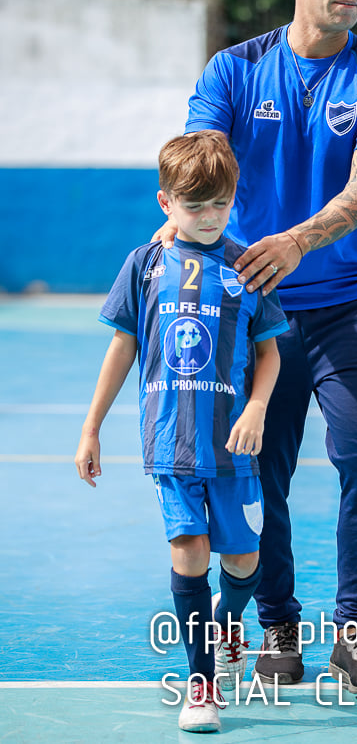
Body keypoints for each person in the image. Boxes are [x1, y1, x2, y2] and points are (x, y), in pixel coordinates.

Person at [158, 0, 357, 698]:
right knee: (255, 475)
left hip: (349, 299)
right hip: (251, 308)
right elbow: (201, 172)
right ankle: (275, 625)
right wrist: (167, 251)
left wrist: (299, 240)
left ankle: (355, 635)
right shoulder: (234, 72)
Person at [75, 131, 289, 732]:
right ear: (165, 203)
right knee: (189, 552)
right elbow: (123, 347)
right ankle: (201, 682)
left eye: (220, 204)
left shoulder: (246, 267)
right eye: (194, 206)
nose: (208, 217)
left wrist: (257, 409)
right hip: (170, 443)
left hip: (234, 447)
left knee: (245, 563)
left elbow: (270, 354)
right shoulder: (143, 266)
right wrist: (91, 428)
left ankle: (228, 620)